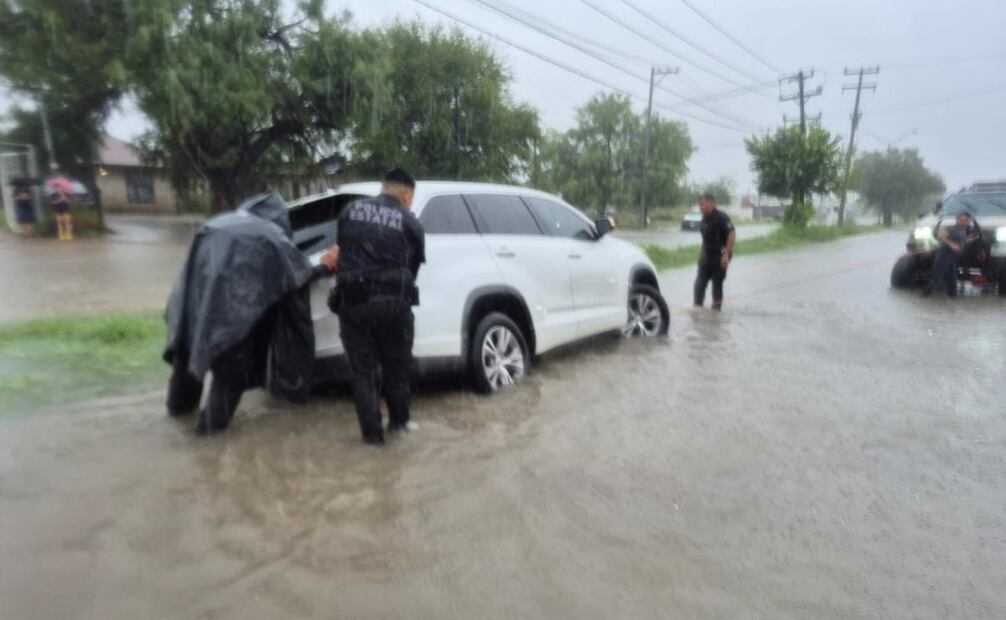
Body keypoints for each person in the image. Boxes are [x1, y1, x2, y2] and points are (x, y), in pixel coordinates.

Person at [163, 192, 340, 435]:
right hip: (232, 322)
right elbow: (296, 275)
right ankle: (208, 439)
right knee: (229, 380)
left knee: (187, 370)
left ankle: (176, 423)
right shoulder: (270, 235)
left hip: (192, 311)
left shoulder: (215, 224)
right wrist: (324, 265)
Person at [331, 168, 425, 446]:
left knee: (363, 374)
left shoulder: (350, 211)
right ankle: (400, 426)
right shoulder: (410, 222)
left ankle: (372, 440)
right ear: (406, 196)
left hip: (353, 303)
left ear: (384, 188)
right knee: (397, 369)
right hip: (394, 305)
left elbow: (342, 253)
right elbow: (412, 271)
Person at [693, 192, 736, 310]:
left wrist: (726, 255)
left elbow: (731, 234)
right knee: (699, 284)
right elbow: (705, 240)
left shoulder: (721, 217)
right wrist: (701, 255)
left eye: (703, 204)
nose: (701, 207)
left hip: (720, 254)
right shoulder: (703, 220)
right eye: (699, 205)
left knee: (717, 284)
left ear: (712, 203)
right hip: (706, 257)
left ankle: (716, 311)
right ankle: (697, 309)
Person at [923, 212, 971, 298]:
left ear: (968, 221)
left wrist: (969, 240)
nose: (963, 222)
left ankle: (953, 298)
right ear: (957, 219)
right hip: (944, 257)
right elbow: (940, 236)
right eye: (961, 220)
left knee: (953, 280)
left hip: (953, 259)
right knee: (937, 279)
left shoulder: (963, 230)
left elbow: (960, 241)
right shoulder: (951, 228)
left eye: (965, 220)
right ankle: (925, 296)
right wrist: (951, 244)